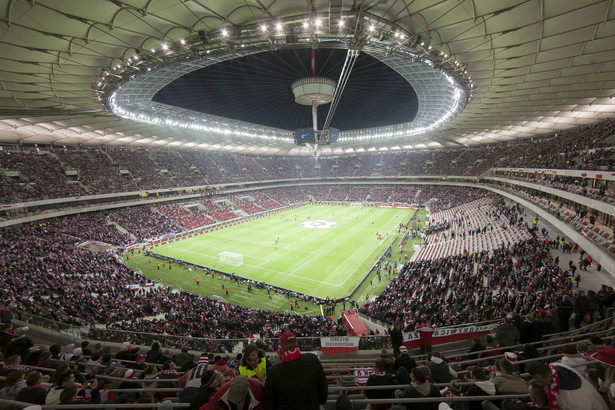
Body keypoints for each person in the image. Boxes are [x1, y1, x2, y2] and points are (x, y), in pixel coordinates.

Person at [264, 331, 328, 410]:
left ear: (282, 347)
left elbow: (269, 403)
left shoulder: (273, 373)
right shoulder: (312, 360)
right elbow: (323, 388)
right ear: (296, 344)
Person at [528, 361, 608, 410]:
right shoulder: (557, 367)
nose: (541, 384)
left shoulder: (568, 401)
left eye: (541, 381)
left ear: (549, 376)